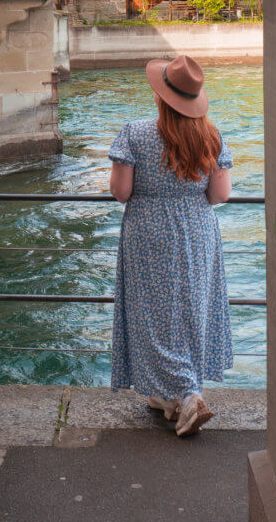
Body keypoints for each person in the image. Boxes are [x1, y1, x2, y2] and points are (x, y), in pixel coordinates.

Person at [108, 54, 234, 437]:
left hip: (149, 232)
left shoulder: (135, 132)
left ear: (161, 96)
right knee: (191, 309)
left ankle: (187, 395)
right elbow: (221, 195)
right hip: (198, 230)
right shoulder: (211, 136)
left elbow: (121, 191)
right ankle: (170, 396)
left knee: (153, 315)